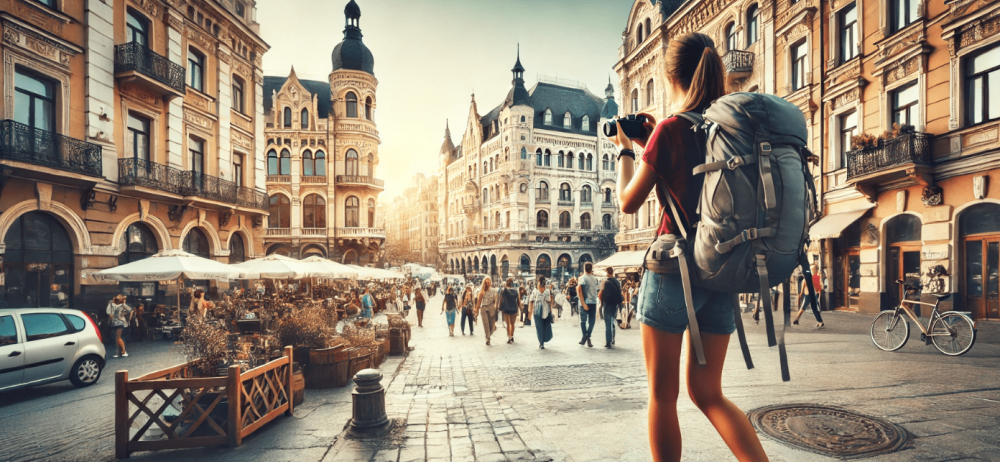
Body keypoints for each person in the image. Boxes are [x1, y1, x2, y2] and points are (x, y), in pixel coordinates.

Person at [612, 32, 769, 462]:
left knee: (663, 397)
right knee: (709, 393)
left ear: (669, 77)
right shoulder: (729, 131)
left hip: (672, 271)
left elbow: (628, 203)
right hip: (720, 272)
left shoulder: (670, 129)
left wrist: (627, 151)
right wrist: (652, 146)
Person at [598, 267, 624, 348]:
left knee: (608, 323)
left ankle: (608, 342)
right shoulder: (617, 282)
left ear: (607, 272)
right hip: (615, 304)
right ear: (612, 272)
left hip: (607, 304)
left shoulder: (604, 282)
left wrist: (601, 304)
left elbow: (600, 294)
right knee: (612, 322)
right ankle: (613, 339)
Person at [793, 263, 825, 328]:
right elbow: (818, 288)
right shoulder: (813, 278)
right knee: (814, 309)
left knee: (802, 308)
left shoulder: (806, 280)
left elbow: (802, 291)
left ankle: (796, 320)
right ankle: (820, 321)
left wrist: (799, 298)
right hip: (813, 295)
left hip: (808, 296)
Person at [528, 276, 554, 349]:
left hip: (540, 311)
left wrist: (530, 312)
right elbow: (531, 300)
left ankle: (541, 342)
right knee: (541, 327)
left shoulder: (543, 290)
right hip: (540, 311)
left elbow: (549, 300)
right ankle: (541, 342)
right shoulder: (539, 290)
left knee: (540, 327)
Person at [577, 263, 599, 348]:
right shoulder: (595, 278)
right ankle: (588, 336)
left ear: (584, 268)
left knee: (583, 321)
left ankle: (585, 336)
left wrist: (583, 303)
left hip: (585, 302)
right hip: (593, 302)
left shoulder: (582, 278)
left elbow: (580, 291)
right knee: (592, 321)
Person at [475, 277, 499, 346]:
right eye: (486, 282)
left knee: (491, 324)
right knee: (486, 324)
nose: (487, 283)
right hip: (484, 308)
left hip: (491, 308)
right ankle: (488, 338)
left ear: (490, 282)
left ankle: (491, 331)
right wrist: (476, 311)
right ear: (484, 283)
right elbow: (479, 302)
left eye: (489, 282)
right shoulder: (481, 291)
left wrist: (496, 307)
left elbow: (495, 301)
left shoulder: (494, 290)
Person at [499, 278, 520, 344]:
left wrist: (499, 307)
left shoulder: (504, 290)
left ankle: (509, 337)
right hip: (514, 308)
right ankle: (512, 336)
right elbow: (518, 300)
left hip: (506, 308)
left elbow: (501, 299)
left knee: (508, 324)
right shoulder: (516, 290)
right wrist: (519, 309)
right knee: (512, 324)